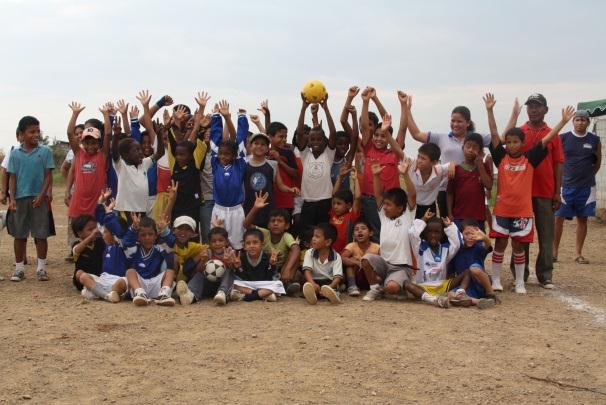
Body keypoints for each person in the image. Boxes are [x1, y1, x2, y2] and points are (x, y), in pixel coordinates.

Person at [485, 96, 574, 294]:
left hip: (536, 197)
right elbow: (494, 135)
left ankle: (537, 277)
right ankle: (511, 277)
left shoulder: (531, 157)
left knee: (535, 238)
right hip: (506, 208)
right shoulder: (506, 151)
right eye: (509, 142)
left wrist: (563, 122)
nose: (512, 145)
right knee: (507, 243)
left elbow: (551, 148)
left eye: (516, 142)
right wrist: (491, 110)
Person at [506, 93, 564, 288]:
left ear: (545, 109)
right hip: (522, 193)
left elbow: (558, 164)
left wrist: (557, 191)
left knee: (546, 234)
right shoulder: (520, 132)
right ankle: (519, 273)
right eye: (530, 106)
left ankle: (545, 274)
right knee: (520, 235)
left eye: (537, 106)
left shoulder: (552, 134)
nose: (533, 109)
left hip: (545, 190)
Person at [405, 94, 491, 217]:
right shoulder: (441, 137)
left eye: (459, 121)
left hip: (468, 189)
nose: (455, 124)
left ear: (467, 123)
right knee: (447, 225)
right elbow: (416, 134)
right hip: (445, 189)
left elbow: (501, 140)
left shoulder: (476, 139)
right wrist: (407, 110)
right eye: (453, 121)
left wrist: (493, 112)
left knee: (469, 225)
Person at [296, 93, 350, 241]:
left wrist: (325, 108)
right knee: (307, 237)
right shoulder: (305, 154)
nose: (316, 142)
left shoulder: (328, 154)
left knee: (324, 236)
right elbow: (300, 133)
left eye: (319, 139)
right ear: (308, 141)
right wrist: (303, 107)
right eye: (312, 139)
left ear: (325, 141)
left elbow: (333, 133)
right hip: (308, 202)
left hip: (325, 201)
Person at [361, 158, 416, 301]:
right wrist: (376, 176)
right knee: (366, 259)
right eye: (384, 204)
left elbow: (412, 195)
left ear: (400, 208)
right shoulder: (384, 217)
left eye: (389, 205)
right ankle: (375, 289)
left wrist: (404, 175)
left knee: (392, 288)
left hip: (402, 267)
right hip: (384, 263)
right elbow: (378, 195)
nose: (384, 207)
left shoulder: (407, 216)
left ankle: (390, 287)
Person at [7, 116, 55, 282]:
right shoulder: (14, 154)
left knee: (41, 235)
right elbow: (12, 178)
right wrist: (11, 198)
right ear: (21, 134)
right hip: (20, 199)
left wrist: (42, 195)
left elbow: (48, 176)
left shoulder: (45, 152)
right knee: (19, 235)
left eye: (37, 131)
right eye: (31, 131)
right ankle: (19, 269)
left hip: (39, 199)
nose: (36, 134)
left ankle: (41, 269)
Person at [554, 110, 601, 264]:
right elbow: (557, 161)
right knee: (558, 218)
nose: (580, 122)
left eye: (584, 120)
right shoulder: (563, 138)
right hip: (565, 186)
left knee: (583, 219)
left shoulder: (594, 140)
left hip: (586, 188)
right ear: (573, 121)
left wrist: (587, 175)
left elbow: (597, 162)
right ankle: (554, 253)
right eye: (578, 119)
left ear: (588, 122)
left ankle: (578, 253)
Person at [359, 90, 406, 240]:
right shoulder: (368, 148)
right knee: (374, 234)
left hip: (390, 202)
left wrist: (377, 99)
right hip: (370, 200)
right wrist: (366, 101)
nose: (379, 138)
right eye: (376, 135)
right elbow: (365, 127)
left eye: (383, 136)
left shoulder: (394, 152)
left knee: (391, 234)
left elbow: (401, 128)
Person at [112, 91, 165, 219]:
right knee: (126, 239)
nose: (141, 152)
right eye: (136, 150)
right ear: (125, 155)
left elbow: (160, 153)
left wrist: (159, 135)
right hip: (125, 211)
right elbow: (114, 152)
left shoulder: (144, 164)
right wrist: (117, 135)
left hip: (141, 211)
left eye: (140, 149)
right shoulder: (121, 166)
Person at [244, 192, 302, 296]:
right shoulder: (265, 233)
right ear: (268, 225)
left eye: (279, 221)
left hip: (282, 269)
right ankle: (281, 287)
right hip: (266, 269)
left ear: (287, 225)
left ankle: (287, 284)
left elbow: (296, 249)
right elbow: (246, 224)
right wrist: (255, 208)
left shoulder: (286, 236)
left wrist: (287, 269)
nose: (275, 223)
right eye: (272, 221)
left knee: (295, 256)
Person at [209, 101, 248, 249]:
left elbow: (241, 142)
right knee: (217, 245)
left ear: (233, 156)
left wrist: (241, 117)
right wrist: (216, 116)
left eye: (227, 154)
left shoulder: (239, 166)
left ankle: (236, 269)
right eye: (221, 154)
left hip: (236, 211)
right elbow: (214, 141)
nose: (223, 156)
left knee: (237, 246)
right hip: (218, 210)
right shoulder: (215, 164)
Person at [406, 211, 461, 308]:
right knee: (406, 284)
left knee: (467, 273)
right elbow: (412, 234)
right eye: (430, 232)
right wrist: (424, 220)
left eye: (437, 232)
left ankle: (461, 294)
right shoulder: (420, 247)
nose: (433, 235)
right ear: (425, 233)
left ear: (443, 234)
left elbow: (457, 244)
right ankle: (433, 300)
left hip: (442, 287)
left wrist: (449, 226)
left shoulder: (446, 249)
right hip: (423, 287)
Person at [243, 132, 299, 227]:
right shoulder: (243, 163)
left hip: (268, 208)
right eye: (256, 143)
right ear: (250, 146)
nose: (259, 146)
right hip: (248, 207)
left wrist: (290, 189)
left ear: (267, 148)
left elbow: (280, 186)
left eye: (263, 144)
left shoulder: (273, 164)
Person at [66, 101, 111, 218]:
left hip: (97, 208)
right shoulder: (78, 154)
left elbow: (108, 134)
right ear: (82, 142)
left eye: (94, 143)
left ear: (99, 143)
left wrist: (106, 115)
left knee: (97, 236)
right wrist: (75, 114)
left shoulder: (102, 155)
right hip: (78, 207)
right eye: (87, 143)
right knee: (77, 236)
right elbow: (70, 133)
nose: (90, 146)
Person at [123, 213, 176, 306]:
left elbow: (171, 244)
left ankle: (164, 295)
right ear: (138, 237)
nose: (147, 238)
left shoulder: (160, 248)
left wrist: (165, 231)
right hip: (139, 284)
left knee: (170, 271)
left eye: (150, 234)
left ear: (156, 236)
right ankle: (140, 293)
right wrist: (133, 228)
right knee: (130, 272)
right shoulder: (134, 249)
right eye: (143, 235)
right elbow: (126, 242)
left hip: (156, 284)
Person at [174, 227, 235, 306]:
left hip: (224, 285)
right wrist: (203, 261)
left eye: (220, 240)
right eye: (213, 241)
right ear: (209, 243)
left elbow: (235, 272)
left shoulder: (230, 252)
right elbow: (197, 270)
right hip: (208, 286)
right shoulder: (207, 253)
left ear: (226, 242)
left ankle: (222, 293)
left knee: (229, 271)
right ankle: (190, 295)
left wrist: (229, 263)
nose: (217, 243)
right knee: (199, 274)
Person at [446, 132, 493, 230]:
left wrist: (480, 165)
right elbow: (450, 193)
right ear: (463, 148)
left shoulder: (484, 167)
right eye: (468, 146)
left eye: (475, 147)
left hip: (478, 217)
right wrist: (450, 213)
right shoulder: (456, 169)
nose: (471, 150)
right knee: (460, 243)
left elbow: (489, 186)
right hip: (459, 216)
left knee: (477, 243)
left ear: (480, 151)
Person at [448, 219, 497, 308]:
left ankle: (491, 294)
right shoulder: (456, 250)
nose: (470, 237)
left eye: (473, 234)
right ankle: (479, 301)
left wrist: (484, 237)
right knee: (451, 294)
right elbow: (451, 273)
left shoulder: (478, 247)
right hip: (466, 286)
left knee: (474, 268)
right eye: (466, 234)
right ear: (460, 235)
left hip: (481, 283)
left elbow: (487, 244)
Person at [230, 228, 285, 302]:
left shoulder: (268, 257)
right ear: (244, 246)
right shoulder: (241, 258)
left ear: (262, 245)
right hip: (248, 285)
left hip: (263, 284)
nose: (251, 246)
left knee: (278, 284)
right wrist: (239, 267)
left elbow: (269, 278)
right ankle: (263, 295)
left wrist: (271, 264)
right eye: (248, 243)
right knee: (233, 283)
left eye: (255, 242)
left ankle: (246, 297)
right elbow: (242, 277)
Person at [301, 223, 343, 305]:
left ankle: (333, 295)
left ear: (327, 242)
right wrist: (312, 283)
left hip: (328, 282)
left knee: (329, 289)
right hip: (314, 280)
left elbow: (337, 277)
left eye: (317, 236)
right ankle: (313, 295)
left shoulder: (336, 256)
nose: (313, 239)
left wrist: (331, 286)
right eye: (313, 236)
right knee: (308, 285)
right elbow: (307, 271)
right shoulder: (309, 253)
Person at [406, 142, 451, 219]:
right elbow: (398, 151)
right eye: (418, 156)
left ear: (434, 162)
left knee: (430, 230)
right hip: (411, 206)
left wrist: (453, 164)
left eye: (423, 158)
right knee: (411, 230)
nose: (419, 160)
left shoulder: (439, 170)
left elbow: (454, 164)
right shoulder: (412, 164)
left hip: (430, 208)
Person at [341, 219, 380, 296]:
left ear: (371, 233)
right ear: (353, 236)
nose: (359, 231)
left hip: (372, 278)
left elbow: (382, 265)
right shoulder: (351, 245)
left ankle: (377, 288)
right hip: (357, 277)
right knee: (350, 261)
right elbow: (342, 258)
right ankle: (352, 286)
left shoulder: (377, 247)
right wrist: (357, 263)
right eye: (356, 229)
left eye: (363, 228)